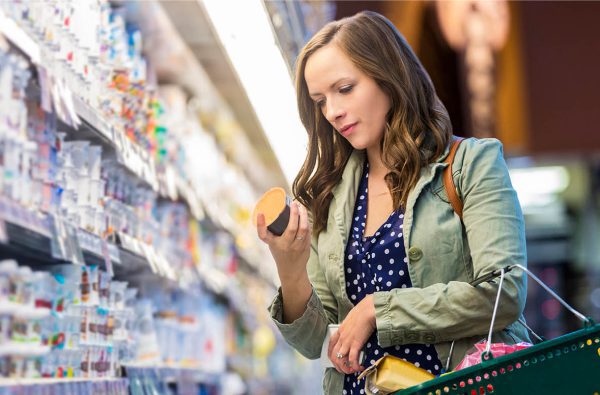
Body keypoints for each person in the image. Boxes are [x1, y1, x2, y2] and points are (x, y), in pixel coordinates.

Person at [256, 11, 530, 395]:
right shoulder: (330, 196)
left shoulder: (471, 165)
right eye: (320, 101)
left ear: (388, 76)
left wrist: (376, 310)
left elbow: (504, 293)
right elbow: (313, 338)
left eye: (345, 88)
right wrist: (290, 269)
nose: (332, 111)